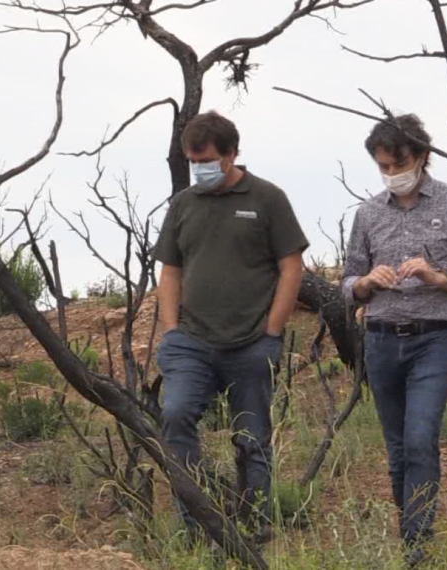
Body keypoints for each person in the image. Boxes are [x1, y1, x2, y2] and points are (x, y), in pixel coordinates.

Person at [342, 114, 447, 566]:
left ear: (422, 156)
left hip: (435, 339)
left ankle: (419, 545)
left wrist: (435, 275)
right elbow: (348, 282)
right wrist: (367, 282)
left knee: (421, 437)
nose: (392, 174)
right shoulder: (368, 213)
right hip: (381, 339)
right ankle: (410, 538)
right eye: (384, 167)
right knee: (397, 447)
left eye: (398, 163)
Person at [154, 111, 308, 543]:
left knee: (252, 436)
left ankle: (256, 523)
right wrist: (171, 331)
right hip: (192, 342)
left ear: (232, 154)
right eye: (192, 160)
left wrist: (273, 331)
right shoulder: (183, 204)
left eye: (207, 160)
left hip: (251, 343)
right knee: (176, 414)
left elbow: (291, 266)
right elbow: (170, 270)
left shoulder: (267, 198)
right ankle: (196, 523)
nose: (199, 168)